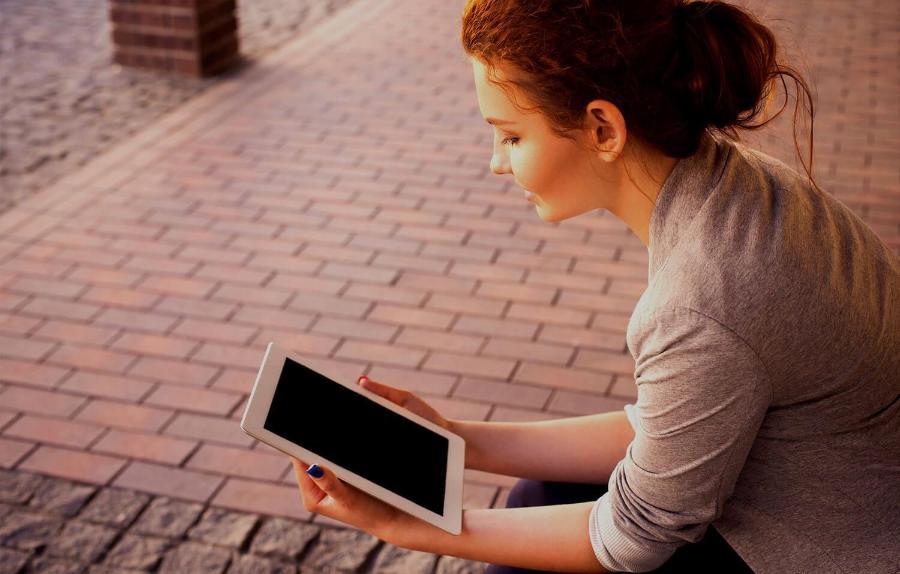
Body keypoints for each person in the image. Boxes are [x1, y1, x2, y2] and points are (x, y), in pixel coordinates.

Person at [290, 0, 900, 572]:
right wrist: (456, 440)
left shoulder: (701, 299)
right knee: (539, 495)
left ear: (603, 129)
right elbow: (670, 424)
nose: (497, 163)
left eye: (511, 136)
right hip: (832, 499)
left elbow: (635, 537)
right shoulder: (739, 187)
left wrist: (406, 527)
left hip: (821, 552)